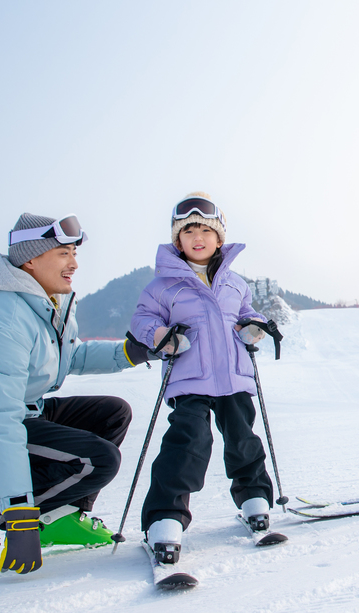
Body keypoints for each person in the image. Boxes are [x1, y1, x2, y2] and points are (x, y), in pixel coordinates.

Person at [0, 213, 157, 575]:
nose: (74, 264)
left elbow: (69, 355)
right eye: (63, 253)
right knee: (98, 460)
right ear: (31, 259)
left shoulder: (43, 302)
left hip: (21, 413)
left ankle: (58, 516)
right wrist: (18, 515)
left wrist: (131, 352)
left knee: (112, 414)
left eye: (74, 254)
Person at [130, 192, 273, 565]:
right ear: (177, 240)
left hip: (233, 377)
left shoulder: (235, 283)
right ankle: (165, 516)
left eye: (205, 231)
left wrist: (254, 327)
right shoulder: (163, 285)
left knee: (243, 437)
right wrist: (160, 337)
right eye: (188, 231)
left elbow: (247, 313)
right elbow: (143, 320)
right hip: (189, 379)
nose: (198, 237)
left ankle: (254, 496)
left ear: (219, 239)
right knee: (189, 443)